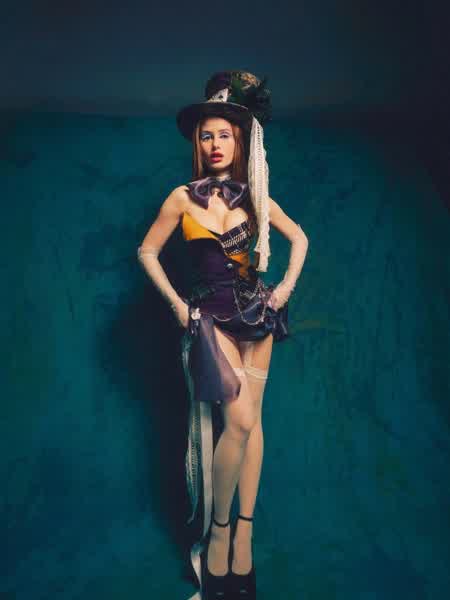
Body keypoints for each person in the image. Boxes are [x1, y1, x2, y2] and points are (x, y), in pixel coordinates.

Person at [137, 71, 309, 600]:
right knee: (238, 420)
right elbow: (147, 251)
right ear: (197, 142)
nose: (214, 144)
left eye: (225, 135)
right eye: (206, 135)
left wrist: (284, 289)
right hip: (210, 319)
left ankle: (243, 540)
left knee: (252, 425)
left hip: (257, 316)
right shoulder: (181, 198)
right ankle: (217, 535)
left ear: (240, 141)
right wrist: (177, 306)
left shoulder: (256, 196)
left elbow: (300, 238)